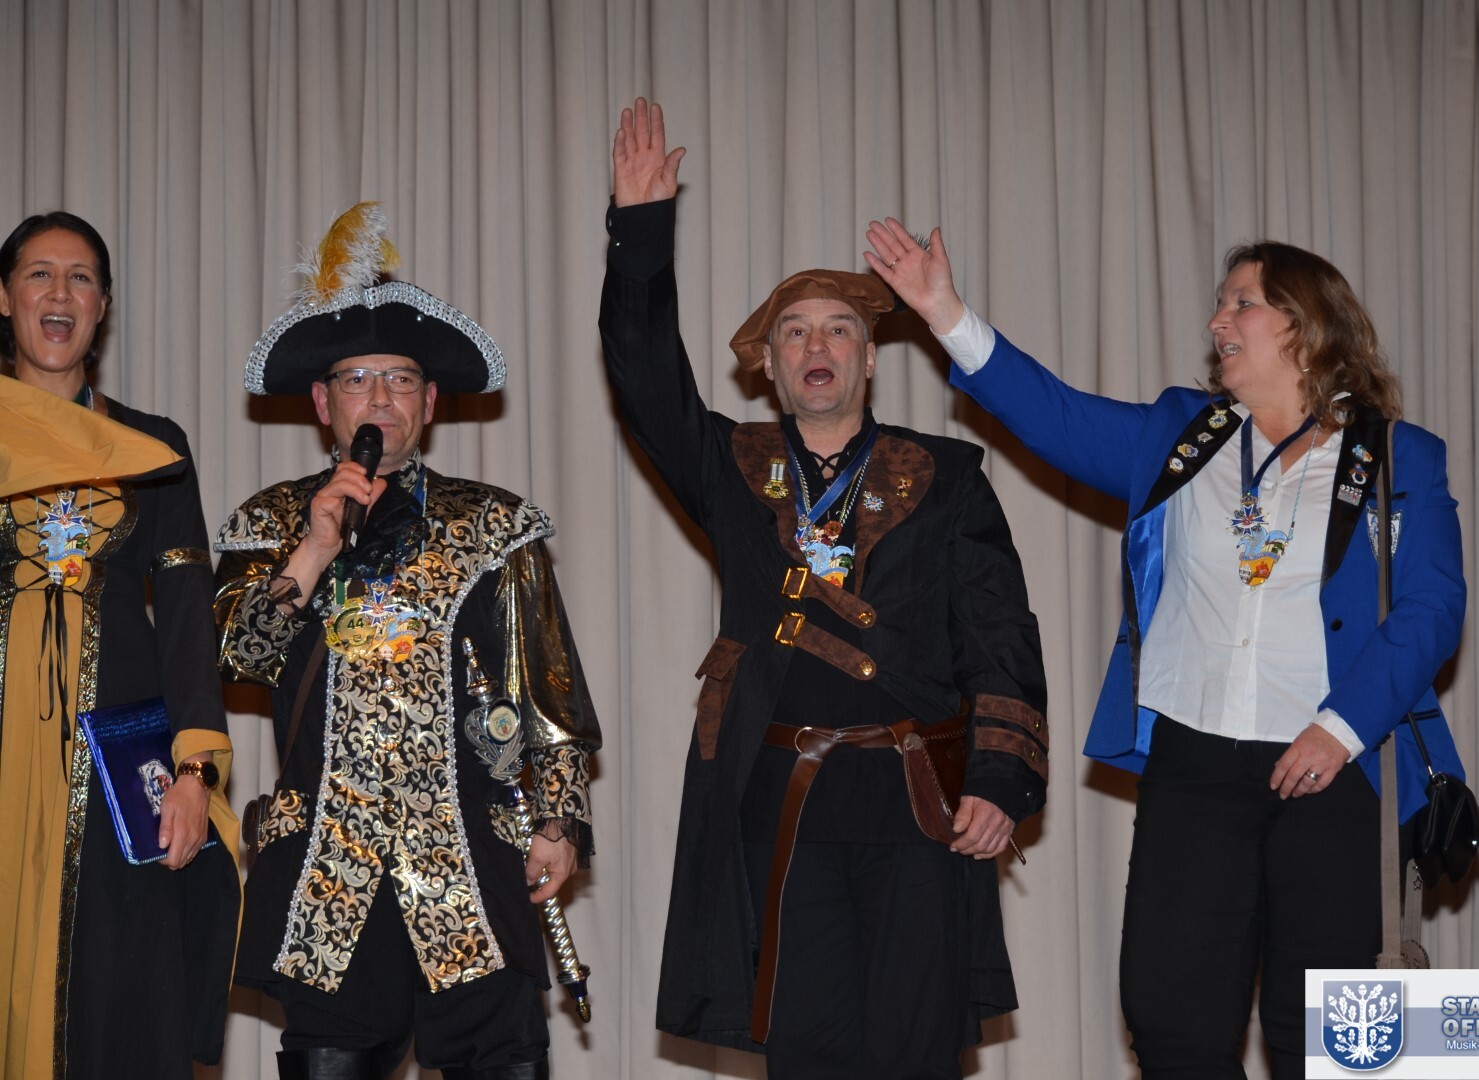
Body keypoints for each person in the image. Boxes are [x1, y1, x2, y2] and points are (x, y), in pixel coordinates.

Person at [866, 220, 1470, 1078]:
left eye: (1240, 303)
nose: (1217, 320)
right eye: (1220, 305)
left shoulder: (1397, 457)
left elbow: (1431, 608)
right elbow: (1055, 414)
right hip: (1194, 763)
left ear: (1304, 324)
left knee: (1322, 1036)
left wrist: (1339, 729)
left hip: (1336, 771)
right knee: (1170, 1019)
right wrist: (945, 315)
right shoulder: (1180, 434)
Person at [600, 100, 1049, 1080]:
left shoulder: (947, 474)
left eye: (839, 329)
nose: (818, 345)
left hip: (918, 797)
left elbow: (999, 635)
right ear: (767, 366)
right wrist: (639, 233)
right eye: (795, 332)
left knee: (915, 1054)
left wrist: (998, 777)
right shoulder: (728, 463)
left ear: (869, 358)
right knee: (806, 1056)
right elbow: (642, 378)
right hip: (780, 800)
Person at [214, 203, 601, 1080]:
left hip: (470, 856)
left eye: (400, 380)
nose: (379, 399)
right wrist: (313, 549)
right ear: (323, 401)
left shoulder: (494, 526)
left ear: (429, 402)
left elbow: (548, 692)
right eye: (357, 380)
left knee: (501, 1057)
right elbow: (235, 659)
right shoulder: (269, 522)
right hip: (327, 860)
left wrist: (558, 818)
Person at [0, 212, 239, 1079]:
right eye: (39, 274)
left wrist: (194, 770)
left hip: (111, 767)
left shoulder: (152, 447)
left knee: (117, 982)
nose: (59, 292)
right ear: (5, 297)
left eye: (82, 278)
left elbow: (186, 614)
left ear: (102, 306)